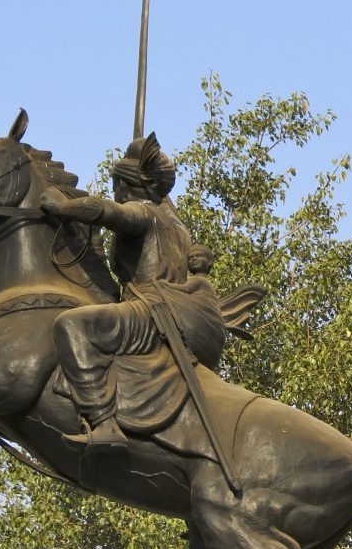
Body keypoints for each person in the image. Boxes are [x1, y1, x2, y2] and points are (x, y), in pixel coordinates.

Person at [40, 132, 227, 451]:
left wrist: (64, 206)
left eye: (116, 185)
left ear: (126, 185)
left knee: (72, 325)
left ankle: (104, 422)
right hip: (167, 308)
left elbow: (110, 213)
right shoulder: (174, 222)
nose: (115, 192)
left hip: (150, 309)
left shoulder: (143, 212)